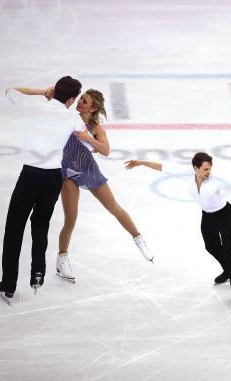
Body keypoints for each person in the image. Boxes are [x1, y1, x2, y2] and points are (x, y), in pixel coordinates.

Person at [0, 76, 82, 303]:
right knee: (41, 225)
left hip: (30, 176)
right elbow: (85, 140)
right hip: (53, 178)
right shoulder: (73, 116)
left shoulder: (35, 107)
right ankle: (37, 274)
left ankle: (8, 285)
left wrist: (41, 92)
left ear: (55, 91)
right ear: (71, 99)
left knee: (14, 228)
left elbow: (10, 90)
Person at [54, 89, 153, 283]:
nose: (80, 102)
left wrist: (89, 138)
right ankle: (61, 260)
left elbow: (106, 150)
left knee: (114, 208)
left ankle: (139, 239)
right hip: (68, 175)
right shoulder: (69, 118)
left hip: (90, 172)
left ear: (94, 108)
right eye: (80, 99)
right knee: (70, 220)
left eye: (85, 101)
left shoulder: (96, 128)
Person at [124, 153, 231, 301]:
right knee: (211, 247)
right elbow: (161, 167)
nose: (208, 172)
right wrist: (141, 162)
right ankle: (228, 270)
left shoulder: (215, 182)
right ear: (195, 168)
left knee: (227, 249)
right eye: (205, 169)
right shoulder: (186, 175)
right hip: (208, 215)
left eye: (210, 169)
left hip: (224, 214)